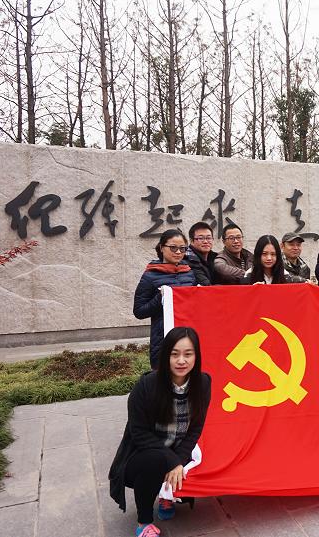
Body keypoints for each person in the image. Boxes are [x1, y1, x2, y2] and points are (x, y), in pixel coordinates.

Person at [109, 327, 211, 537]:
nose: (181, 361)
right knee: (156, 460)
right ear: (166, 356)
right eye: (174, 354)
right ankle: (144, 523)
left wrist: (178, 459)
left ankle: (167, 496)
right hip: (143, 454)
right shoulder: (147, 386)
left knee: (207, 460)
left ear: (196, 356)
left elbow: (196, 428)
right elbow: (139, 433)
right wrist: (172, 461)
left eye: (188, 354)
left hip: (177, 449)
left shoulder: (203, 383)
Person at [133, 229, 196, 368]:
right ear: (162, 248)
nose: (178, 252)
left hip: (187, 336)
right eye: (173, 248)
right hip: (163, 339)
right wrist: (159, 298)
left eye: (182, 248)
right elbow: (139, 311)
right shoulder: (150, 276)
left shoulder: (189, 273)